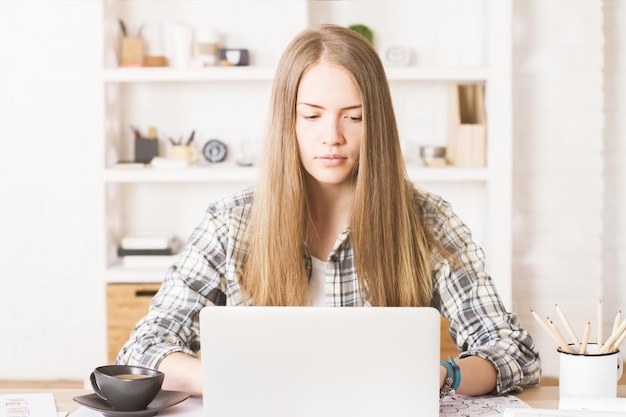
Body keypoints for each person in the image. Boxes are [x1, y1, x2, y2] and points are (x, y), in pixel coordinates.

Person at [116, 24, 541, 398]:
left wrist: (444, 375)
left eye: (353, 118)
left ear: (376, 123)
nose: (331, 137)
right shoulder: (231, 223)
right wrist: (231, 377)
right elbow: (144, 347)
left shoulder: (428, 221)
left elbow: (512, 351)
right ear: (289, 121)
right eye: (312, 116)